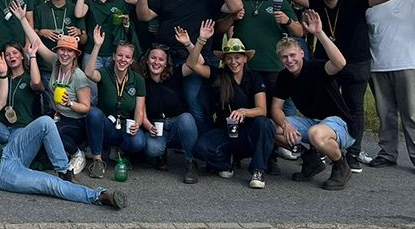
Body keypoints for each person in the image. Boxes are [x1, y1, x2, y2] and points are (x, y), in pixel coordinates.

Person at [0, 68, 125, 210]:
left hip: (8, 151)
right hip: (1, 174)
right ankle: (99, 196)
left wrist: (3, 75)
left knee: (45, 122)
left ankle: (64, 172)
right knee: (49, 184)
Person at [287, 0, 393, 171]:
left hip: (356, 61)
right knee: (326, 104)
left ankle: (352, 153)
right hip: (326, 62)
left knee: (354, 107)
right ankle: (325, 146)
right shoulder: (316, 0)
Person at [135, 0, 242, 133]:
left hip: (195, 58)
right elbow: (144, 16)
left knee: (195, 101)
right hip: (166, 58)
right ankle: (170, 139)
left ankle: (203, 141)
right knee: (166, 100)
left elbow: (236, 6)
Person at [269, 11, 354, 191]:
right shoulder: (284, 77)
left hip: (340, 124)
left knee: (316, 134)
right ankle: (311, 160)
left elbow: (340, 63)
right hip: (313, 122)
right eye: (284, 57)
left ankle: (341, 165)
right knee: (270, 127)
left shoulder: (316, 67)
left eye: (293, 55)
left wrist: (319, 33)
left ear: (302, 53)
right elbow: (276, 108)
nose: (289, 60)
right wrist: (286, 125)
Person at [11, 2, 91, 174]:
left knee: (55, 132)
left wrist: (70, 103)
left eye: (69, 51)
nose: (65, 54)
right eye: (62, 50)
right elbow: (37, 42)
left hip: (74, 120)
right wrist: (23, 19)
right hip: (56, 115)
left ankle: (78, 154)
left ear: (75, 55)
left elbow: (86, 108)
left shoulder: (79, 76)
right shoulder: (55, 62)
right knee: (40, 128)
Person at [191, 38, 275, 189]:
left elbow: (262, 109)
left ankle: (258, 171)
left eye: (237, 57)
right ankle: (225, 163)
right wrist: (200, 41)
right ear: (224, 60)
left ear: (245, 58)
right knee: (201, 147)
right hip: (226, 131)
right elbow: (192, 64)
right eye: (229, 58)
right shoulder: (219, 75)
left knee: (265, 123)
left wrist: (243, 112)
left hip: (248, 132)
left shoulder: (254, 78)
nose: (233, 62)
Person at [138, 22, 213, 180]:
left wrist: (191, 42)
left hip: (178, 124)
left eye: (161, 59)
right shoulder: (141, 80)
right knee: (152, 149)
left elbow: (197, 62)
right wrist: (148, 125)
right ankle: (161, 154)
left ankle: (191, 161)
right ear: (147, 60)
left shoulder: (175, 74)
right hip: (156, 125)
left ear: (166, 63)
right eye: (153, 58)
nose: (156, 62)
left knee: (187, 118)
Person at [365, 0, 415, 168]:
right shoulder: (368, 6)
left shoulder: (408, 2)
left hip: (406, 64)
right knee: (385, 114)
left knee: (411, 114)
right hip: (378, 67)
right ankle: (387, 153)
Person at [83, 26, 147, 179]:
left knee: (139, 142)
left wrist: (137, 124)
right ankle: (97, 160)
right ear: (114, 56)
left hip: (125, 125)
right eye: (120, 55)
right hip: (107, 124)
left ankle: (119, 151)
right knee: (93, 113)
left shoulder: (138, 80)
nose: (123, 60)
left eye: (127, 57)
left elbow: (139, 111)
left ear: (131, 61)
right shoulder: (105, 72)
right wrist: (97, 46)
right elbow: (89, 73)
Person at [0, 32, 43, 143]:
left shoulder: (29, 77)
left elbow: (36, 82)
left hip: (22, 127)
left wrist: (32, 56)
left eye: (15, 53)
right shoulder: (3, 78)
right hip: (2, 127)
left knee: (13, 142)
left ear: (22, 56)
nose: (11, 56)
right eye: (7, 55)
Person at [73, 0, 138, 73]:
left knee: (111, 83)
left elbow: (125, 32)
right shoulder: (90, 0)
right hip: (92, 53)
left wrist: (126, 24)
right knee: (91, 83)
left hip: (114, 54)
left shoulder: (119, 3)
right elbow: (78, 13)